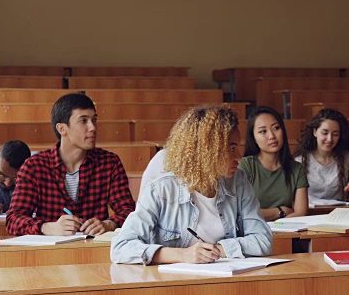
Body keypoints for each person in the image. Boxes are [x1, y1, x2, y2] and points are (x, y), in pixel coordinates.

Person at [111, 105, 272, 264]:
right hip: (174, 285)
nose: (238, 156)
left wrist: (214, 251)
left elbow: (263, 240)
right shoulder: (160, 190)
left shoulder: (239, 182)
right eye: (231, 148)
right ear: (207, 150)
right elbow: (120, 248)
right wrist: (182, 255)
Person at [6, 92, 135, 236]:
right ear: (62, 129)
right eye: (83, 121)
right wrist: (47, 227)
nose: (92, 127)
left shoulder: (109, 163)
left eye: (94, 120)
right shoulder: (34, 166)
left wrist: (109, 224)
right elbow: (13, 220)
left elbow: (129, 211)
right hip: (49, 252)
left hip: (95, 249)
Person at [238, 106, 309, 221]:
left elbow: (301, 213)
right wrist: (280, 211)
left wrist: (275, 224)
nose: (271, 136)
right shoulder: (246, 166)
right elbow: (242, 212)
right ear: (254, 138)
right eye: (263, 131)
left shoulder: (297, 169)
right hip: (252, 234)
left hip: (287, 233)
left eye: (276, 128)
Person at [294, 108, 349, 201]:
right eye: (325, 133)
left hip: (338, 212)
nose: (329, 139)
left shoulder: (347, 157)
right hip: (309, 212)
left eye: (335, 134)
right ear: (315, 132)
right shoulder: (300, 160)